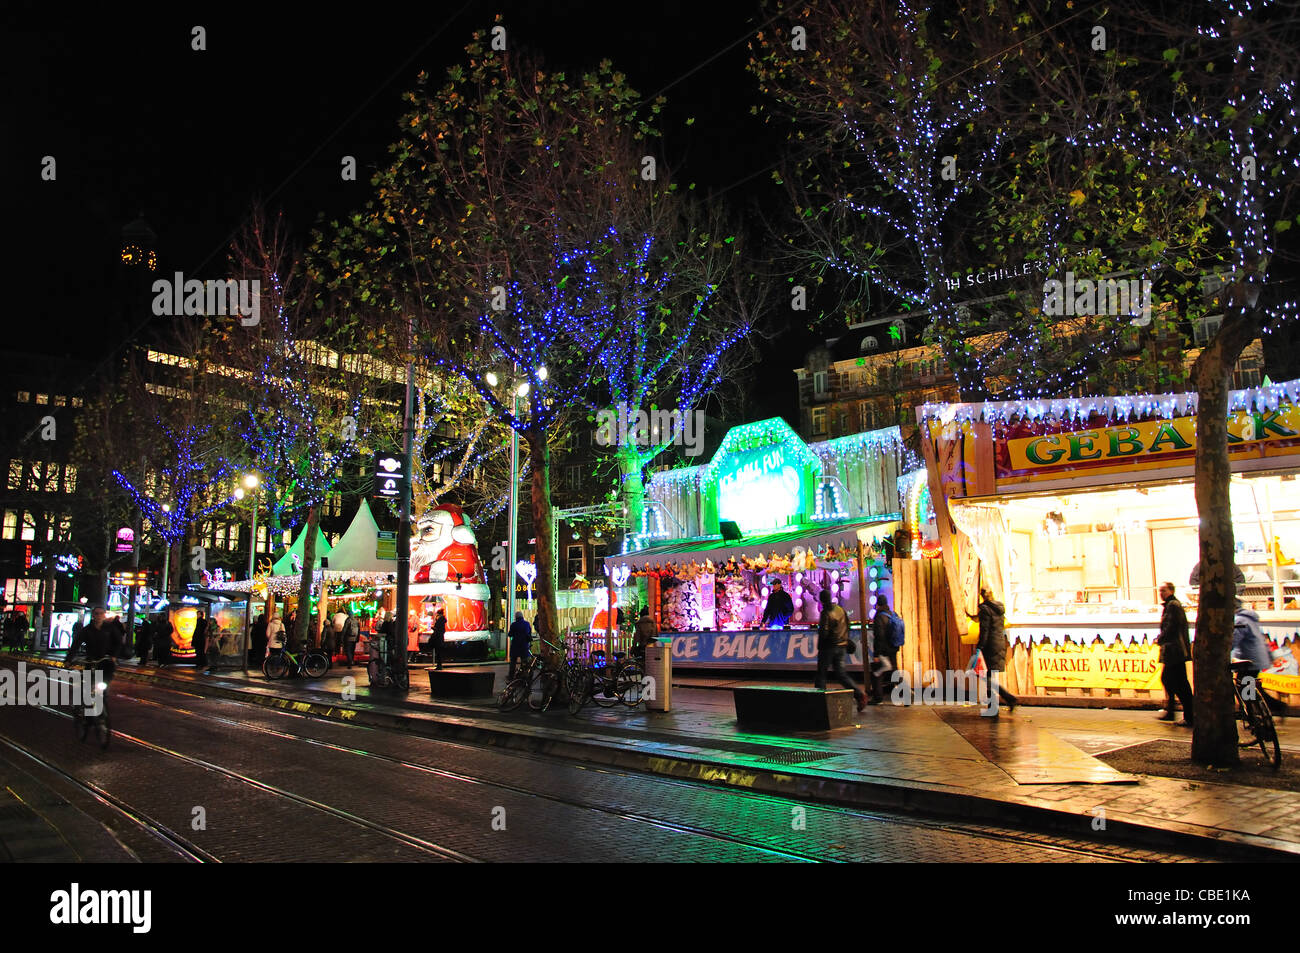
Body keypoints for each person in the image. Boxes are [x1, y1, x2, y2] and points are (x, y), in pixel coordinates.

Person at [815, 590, 867, 711]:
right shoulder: (840, 609)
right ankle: (859, 695)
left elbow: (824, 633)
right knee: (841, 674)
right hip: (842, 646)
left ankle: (819, 701)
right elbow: (847, 625)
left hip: (828, 647)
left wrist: (820, 645)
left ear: (821, 600)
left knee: (821, 674)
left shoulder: (825, 613)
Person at [969, 587, 1017, 715]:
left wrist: (980, 647)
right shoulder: (999, 608)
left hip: (989, 645)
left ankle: (1005, 700)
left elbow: (985, 631)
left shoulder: (985, 610)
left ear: (982, 595)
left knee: (986, 676)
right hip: (999, 643)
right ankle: (994, 706)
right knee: (989, 675)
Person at [1233, 601, 1287, 715]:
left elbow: (1234, 640)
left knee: (1245, 688)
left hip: (1249, 659)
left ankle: (1256, 714)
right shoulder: (1251, 619)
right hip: (1257, 658)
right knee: (1249, 686)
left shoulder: (1239, 620)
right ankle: (1258, 712)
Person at [1156, 581, 1194, 726]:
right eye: (1160, 590)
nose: (1161, 593)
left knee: (1176, 682)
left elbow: (1171, 626)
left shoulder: (1172, 606)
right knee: (1174, 681)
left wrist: (1161, 638)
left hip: (1174, 650)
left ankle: (1186, 713)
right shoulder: (1172, 605)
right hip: (1175, 650)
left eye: (1164, 590)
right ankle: (1174, 711)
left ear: (1171, 590)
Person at [66, 607, 123, 689]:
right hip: (91, 660)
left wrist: (114, 655)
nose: (99, 616)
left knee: (104, 684)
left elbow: (118, 642)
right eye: (96, 613)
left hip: (106, 660)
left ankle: (103, 698)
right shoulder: (86, 630)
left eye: (101, 613)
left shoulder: (111, 628)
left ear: (104, 615)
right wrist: (69, 659)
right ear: (93, 615)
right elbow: (76, 644)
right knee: (87, 683)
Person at [870, 595, 904, 704]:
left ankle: (878, 698)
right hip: (893, 648)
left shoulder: (879, 616)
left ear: (878, 604)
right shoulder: (893, 614)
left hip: (883, 650)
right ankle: (906, 693)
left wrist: (876, 653)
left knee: (877, 673)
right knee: (893, 671)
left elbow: (879, 636)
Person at [508, 611, 532, 680]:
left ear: (516, 617)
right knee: (524, 662)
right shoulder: (527, 624)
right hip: (524, 646)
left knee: (513, 662)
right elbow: (529, 633)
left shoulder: (513, 625)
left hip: (515, 646)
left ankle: (511, 677)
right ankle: (523, 677)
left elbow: (510, 634)